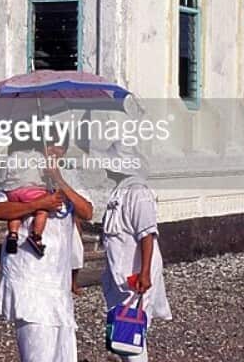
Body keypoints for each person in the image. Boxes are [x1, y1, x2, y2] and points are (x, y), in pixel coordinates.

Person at [0, 142, 94, 362]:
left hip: (57, 279)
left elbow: (87, 211)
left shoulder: (69, 175)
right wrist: (39, 203)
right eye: (49, 147)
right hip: (28, 275)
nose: (54, 152)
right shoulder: (20, 167)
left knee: (62, 352)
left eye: (59, 148)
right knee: (37, 350)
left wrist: (58, 179)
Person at [99, 143, 171, 362]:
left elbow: (147, 234)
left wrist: (145, 272)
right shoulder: (119, 191)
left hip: (136, 276)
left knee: (132, 334)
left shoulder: (138, 192)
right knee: (119, 333)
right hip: (120, 275)